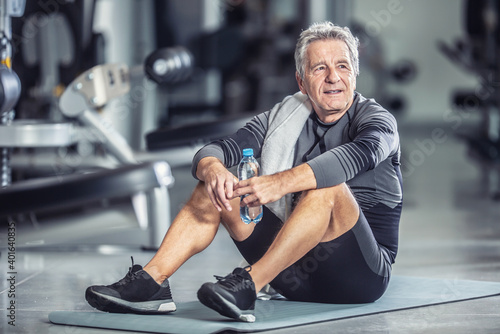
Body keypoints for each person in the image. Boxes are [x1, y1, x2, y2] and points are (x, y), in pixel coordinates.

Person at [85, 21, 403, 323]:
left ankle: (249, 285)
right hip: (292, 276)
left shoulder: (377, 120)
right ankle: (151, 283)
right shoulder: (283, 117)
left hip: (358, 278)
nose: (333, 77)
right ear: (301, 81)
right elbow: (219, 150)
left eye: (342, 66)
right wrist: (213, 170)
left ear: (355, 74)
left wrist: (280, 183)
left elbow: (356, 156)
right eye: (320, 68)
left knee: (328, 188)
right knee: (216, 186)